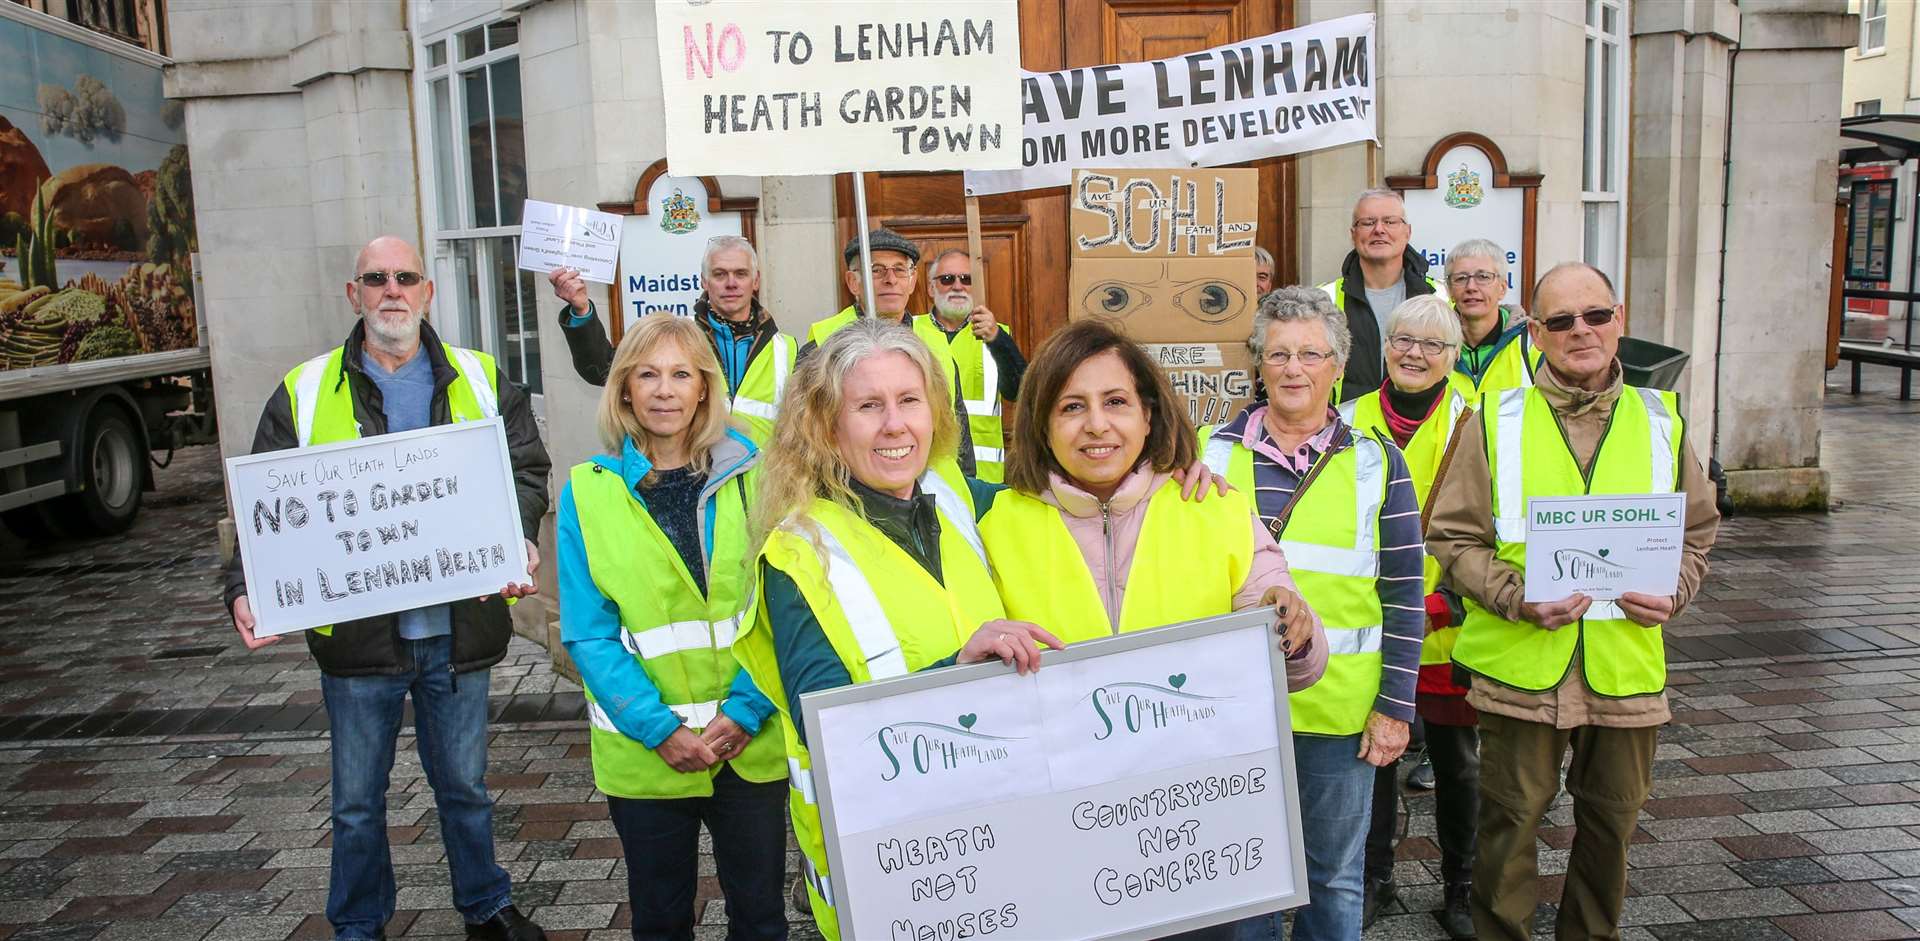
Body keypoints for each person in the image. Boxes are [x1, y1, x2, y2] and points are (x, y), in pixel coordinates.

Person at [224, 236, 550, 941]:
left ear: (427, 291)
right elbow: (267, 512)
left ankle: (486, 904)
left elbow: (525, 469)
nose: (391, 291)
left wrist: (519, 532)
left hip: (458, 631)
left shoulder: (483, 376)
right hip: (360, 640)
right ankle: (359, 925)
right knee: (355, 804)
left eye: (405, 277)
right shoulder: (305, 390)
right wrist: (245, 587)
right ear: (354, 294)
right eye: (376, 279)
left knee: (464, 788)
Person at [731, 317, 1064, 941]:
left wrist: (1171, 475)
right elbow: (822, 721)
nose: (895, 424)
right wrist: (957, 672)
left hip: (997, 832)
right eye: (868, 406)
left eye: (910, 401)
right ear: (828, 428)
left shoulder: (958, 498)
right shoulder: (800, 551)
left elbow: (1073, 492)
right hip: (894, 861)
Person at [1427, 263, 1719, 941]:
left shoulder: (1661, 418)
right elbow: (1451, 535)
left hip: (1624, 669)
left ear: (1619, 320)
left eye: (1595, 315)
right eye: (1560, 320)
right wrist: (1513, 595)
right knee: (1508, 828)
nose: (1580, 331)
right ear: (1536, 333)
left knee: (1611, 829)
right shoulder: (1495, 420)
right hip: (1520, 669)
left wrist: (1674, 590)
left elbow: (1698, 530)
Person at [554, 313, 788, 941]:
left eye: (681, 374)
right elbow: (587, 632)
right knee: (660, 920)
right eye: (648, 374)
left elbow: (784, 608)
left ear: (705, 388)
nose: (664, 389)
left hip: (749, 741)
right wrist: (658, 729)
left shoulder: (758, 477)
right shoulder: (587, 492)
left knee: (762, 917)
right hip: (647, 751)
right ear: (624, 388)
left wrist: (746, 709)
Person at [1205, 286, 1425, 941]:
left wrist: (1396, 706)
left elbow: (1405, 592)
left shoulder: (1378, 460)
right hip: (1233, 712)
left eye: (1310, 353)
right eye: (1278, 354)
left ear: (1338, 364)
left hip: (1338, 713)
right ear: (1258, 363)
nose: (1293, 368)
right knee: (1241, 881)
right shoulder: (1206, 456)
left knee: (1331, 877)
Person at [979, 319, 1326, 684]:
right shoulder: (996, 527)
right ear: (1043, 427)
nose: (1097, 424)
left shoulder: (1217, 508)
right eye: (1072, 407)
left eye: (1115, 402)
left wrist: (1292, 635)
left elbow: (1301, 672)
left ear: (1147, 415)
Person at [1337, 296, 1477, 938]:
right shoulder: (1347, 419)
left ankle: (1462, 888)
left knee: (1457, 764)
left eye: (1432, 344)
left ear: (1453, 356)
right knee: (1377, 757)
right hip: (1375, 626)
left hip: (1453, 626)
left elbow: (1497, 530)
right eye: (1403, 339)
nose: (1414, 353)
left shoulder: (1476, 423)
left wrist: (1450, 602)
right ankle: (1376, 879)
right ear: (1386, 346)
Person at [549, 234, 797, 441]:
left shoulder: (786, 348)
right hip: (693, 480)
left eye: (741, 274)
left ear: (755, 281)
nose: (731, 283)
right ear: (704, 281)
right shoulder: (675, 336)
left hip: (761, 489)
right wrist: (581, 311)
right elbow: (602, 369)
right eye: (720, 274)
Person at [801, 227, 978, 474]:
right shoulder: (823, 344)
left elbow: (959, 433)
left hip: (933, 492)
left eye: (899, 269)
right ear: (853, 282)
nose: (890, 279)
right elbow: (804, 437)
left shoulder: (936, 344)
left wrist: (965, 485)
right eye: (876, 270)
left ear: (913, 280)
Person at [1318, 189, 1443, 402]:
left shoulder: (1441, 297)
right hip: (1346, 429)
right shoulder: (1322, 300)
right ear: (1353, 234)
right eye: (1367, 222)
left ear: (1408, 232)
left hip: (1422, 429)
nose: (1379, 230)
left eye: (1390, 221)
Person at [922, 248, 1028, 480]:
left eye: (967, 279)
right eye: (947, 279)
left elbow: (1020, 390)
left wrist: (997, 339)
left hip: (984, 476)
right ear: (931, 288)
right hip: (925, 472)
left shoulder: (995, 334)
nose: (958, 286)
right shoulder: (911, 331)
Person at [1447, 238, 1539, 394]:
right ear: (1449, 290)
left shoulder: (1532, 343)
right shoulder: (1433, 344)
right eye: (1461, 278)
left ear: (1502, 288)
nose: (1471, 287)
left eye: (1483, 277)